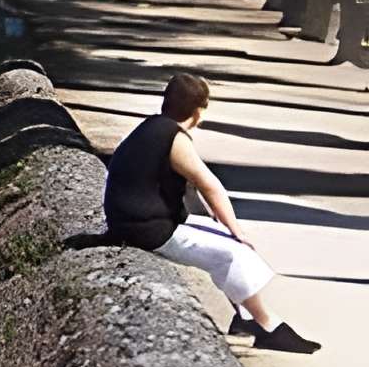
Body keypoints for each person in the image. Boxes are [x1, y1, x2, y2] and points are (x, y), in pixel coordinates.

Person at [103, 72, 320, 352]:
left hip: (131, 221)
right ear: (197, 112)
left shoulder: (151, 127)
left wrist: (219, 223)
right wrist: (237, 232)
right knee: (234, 252)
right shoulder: (175, 138)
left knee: (220, 236)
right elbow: (210, 187)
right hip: (148, 230)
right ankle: (268, 327)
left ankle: (245, 319)